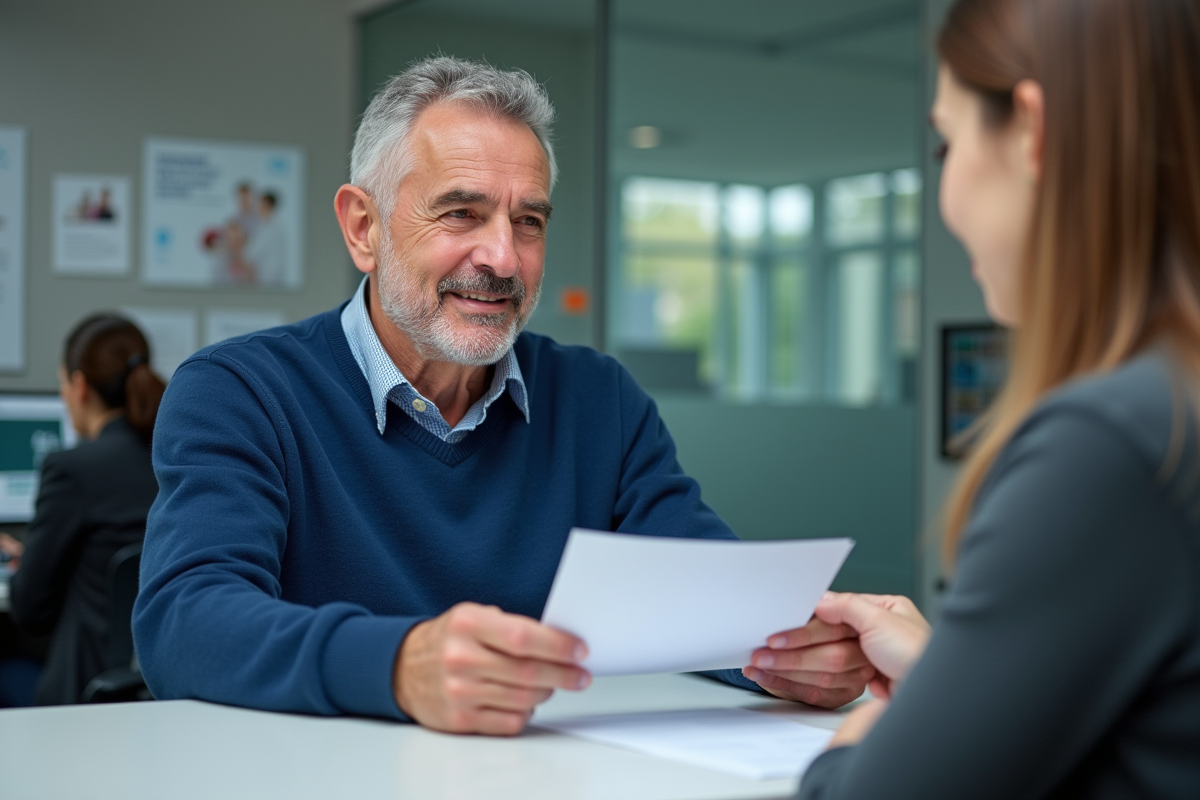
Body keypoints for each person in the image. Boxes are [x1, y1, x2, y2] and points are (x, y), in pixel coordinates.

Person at [133, 56, 875, 735]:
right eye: (461, 212)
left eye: (528, 222)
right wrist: (398, 665)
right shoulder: (240, 391)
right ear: (364, 228)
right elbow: (184, 622)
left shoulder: (597, 398)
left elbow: (706, 602)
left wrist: (787, 653)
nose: (501, 257)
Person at [797, 0, 1200, 797]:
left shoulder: (1110, 443)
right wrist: (963, 672)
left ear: (1031, 130)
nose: (945, 196)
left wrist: (858, 747)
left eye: (948, 142)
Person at [8, 315, 165, 705]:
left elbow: (30, 610)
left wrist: (27, 567)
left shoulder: (72, 469)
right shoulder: (174, 457)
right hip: (160, 686)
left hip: (81, 693)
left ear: (79, 386)